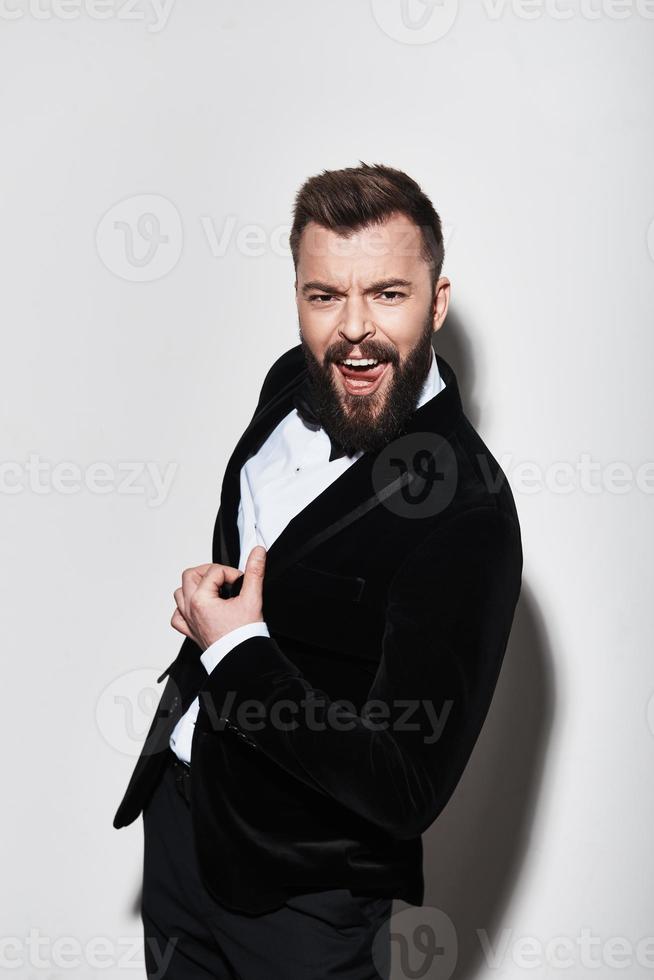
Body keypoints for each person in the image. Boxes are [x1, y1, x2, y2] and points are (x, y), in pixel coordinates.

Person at [113, 162, 523, 980]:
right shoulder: (287, 381)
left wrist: (238, 650)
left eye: (388, 294)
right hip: (180, 825)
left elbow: (407, 784)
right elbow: (274, 564)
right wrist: (214, 604)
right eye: (325, 295)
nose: (354, 330)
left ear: (436, 301)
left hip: (304, 898)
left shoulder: (467, 514)